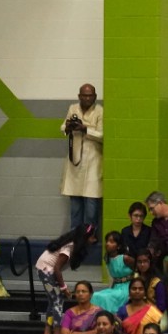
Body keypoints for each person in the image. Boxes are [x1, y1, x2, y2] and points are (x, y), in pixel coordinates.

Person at [60, 83, 104, 250]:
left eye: (90, 95)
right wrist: (69, 127)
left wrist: (85, 129)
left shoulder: (100, 111)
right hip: (75, 163)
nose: (87, 98)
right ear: (79, 96)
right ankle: (74, 237)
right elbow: (63, 127)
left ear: (95, 96)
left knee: (92, 206)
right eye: (84, 95)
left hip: (93, 163)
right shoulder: (73, 108)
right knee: (76, 206)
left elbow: (103, 134)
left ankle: (90, 236)